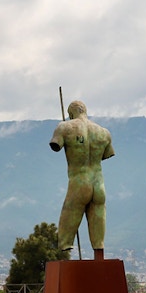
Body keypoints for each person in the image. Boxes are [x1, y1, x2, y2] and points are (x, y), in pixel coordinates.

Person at [49, 100, 115, 261]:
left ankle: (64, 251)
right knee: (98, 221)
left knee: (68, 215)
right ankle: (99, 253)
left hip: (79, 183)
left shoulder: (64, 127)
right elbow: (107, 154)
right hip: (99, 185)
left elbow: (55, 145)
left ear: (70, 114)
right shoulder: (104, 132)